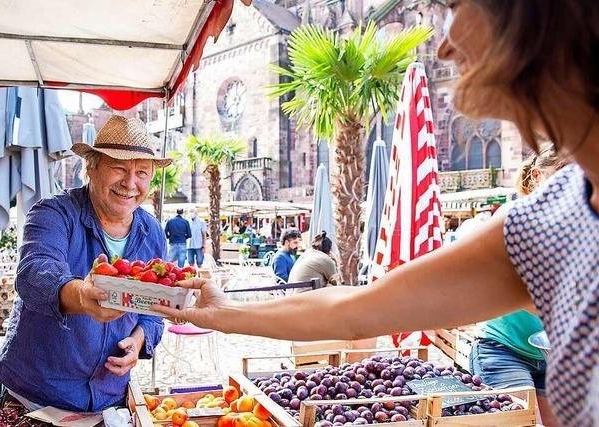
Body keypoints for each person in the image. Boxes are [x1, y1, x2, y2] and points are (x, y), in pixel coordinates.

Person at [154, 1, 599, 424]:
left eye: (457, 6)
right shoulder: (547, 222)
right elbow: (354, 310)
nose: (442, 45)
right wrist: (223, 314)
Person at [0, 115, 172, 412]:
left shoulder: (151, 231)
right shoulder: (54, 213)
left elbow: (153, 309)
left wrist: (139, 341)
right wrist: (81, 296)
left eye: (142, 172)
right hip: (35, 399)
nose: (130, 183)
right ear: (91, 167)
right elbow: (34, 272)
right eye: (119, 167)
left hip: (109, 399)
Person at [469, 145, 565, 426]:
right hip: (502, 350)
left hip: (554, 357)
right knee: (521, 421)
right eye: (562, 175)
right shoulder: (513, 216)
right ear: (536, 175)